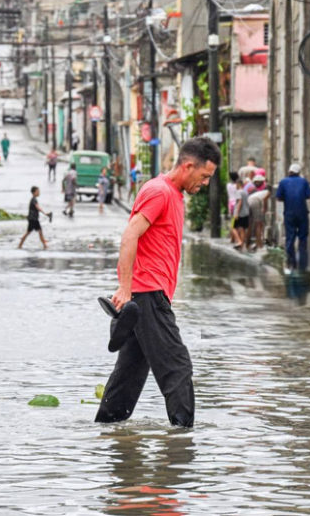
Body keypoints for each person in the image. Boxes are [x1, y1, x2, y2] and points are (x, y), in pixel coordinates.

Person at [95, 136, 221, 428]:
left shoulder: (173, 195)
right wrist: (125, 288)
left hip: (148, 296)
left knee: (130, 371)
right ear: (188, 166)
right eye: (204, 177)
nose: (205, 184)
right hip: (147, 294)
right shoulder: (159, 192)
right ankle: (182, 443)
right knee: (178, 366)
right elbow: (130, 235)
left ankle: (106, 429)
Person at [275, 163, 310, 272]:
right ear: (299, 172)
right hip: (302, 213)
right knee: (303, 237)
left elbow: (278, 198)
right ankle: (302, 263)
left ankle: (291, 263)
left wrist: (287, 198)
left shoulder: (283, 182)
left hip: (289, 214)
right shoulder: (304, 181)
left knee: (290, 237)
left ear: (289, 172)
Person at [247, 175, 271, 251]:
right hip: (255, 202)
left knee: (250, 224)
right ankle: (259, 244)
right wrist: (264, 209)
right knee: (259, 224)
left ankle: (247, 243)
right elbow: (265, 200)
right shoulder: (268, 192)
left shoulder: (257, 191)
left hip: (249, 200)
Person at [230, 174, 250, 250]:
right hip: (246, 213)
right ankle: (242, 245)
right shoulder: (245, 192)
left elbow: (240, 202)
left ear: (238, 184)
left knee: (233, 227)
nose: (235, 186)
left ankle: (239, 241)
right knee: (242, 229)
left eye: (236, 185)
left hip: (239, 213)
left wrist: (236, 213)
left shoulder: (238, 192)